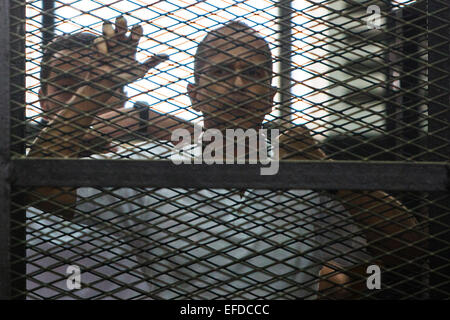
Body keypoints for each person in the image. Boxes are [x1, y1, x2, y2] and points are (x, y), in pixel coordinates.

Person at [27, 18, 424, 299]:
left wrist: (326, 173)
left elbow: (409, 247)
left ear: (271, 95)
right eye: (221, 73)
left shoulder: (306, 168)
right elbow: (37, 184)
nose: (237, 84)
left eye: (252, 74)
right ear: (194, 93)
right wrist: (100, 85)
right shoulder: (149, 165)